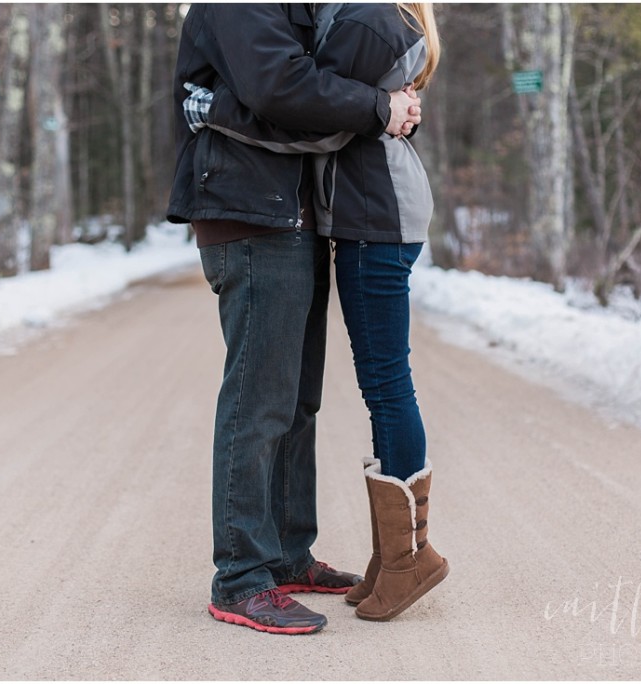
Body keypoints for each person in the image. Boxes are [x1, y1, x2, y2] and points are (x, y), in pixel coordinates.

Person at [185, 3, 448, 623]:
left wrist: (390, 109)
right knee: (259, 400)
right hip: (248, 210)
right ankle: (242, 575)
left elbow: (347, 93)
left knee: (297, 398)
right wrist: (381, 110)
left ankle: (286, 554)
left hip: (297, 214)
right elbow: (286, 93)